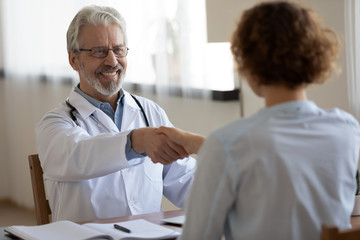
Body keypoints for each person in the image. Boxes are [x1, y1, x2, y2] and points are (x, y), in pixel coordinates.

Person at [159, 1, 360, 239]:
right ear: (315, 57)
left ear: (248, 65)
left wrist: (212, 147)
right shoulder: (346, 130)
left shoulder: (228, 144)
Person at [35, 5, 196, 222]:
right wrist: (135, 142)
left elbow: (185, 179)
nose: (112, 61)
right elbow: (80, 155)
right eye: (98, 51)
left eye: (118, 49)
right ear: (74, 59)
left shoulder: (149, 112)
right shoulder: (54, 124)